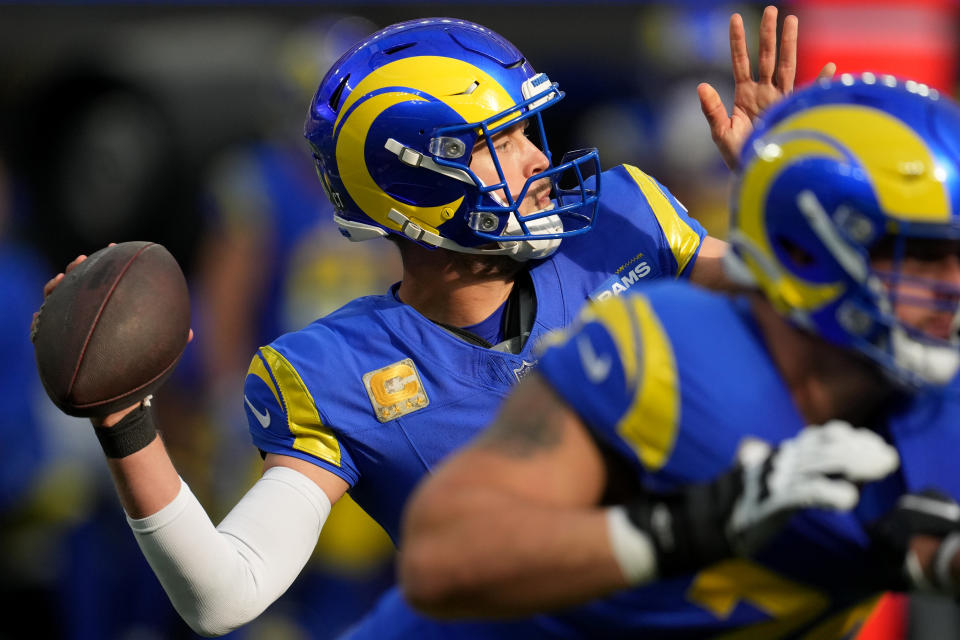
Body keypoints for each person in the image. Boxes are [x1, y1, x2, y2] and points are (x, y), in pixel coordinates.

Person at [35, 9, 814, 637]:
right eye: (500, 142)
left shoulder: (620, 220)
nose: (538, 162)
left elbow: (824, 308)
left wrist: (788, 190)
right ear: (410, 177)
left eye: (526, 132)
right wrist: (124, 422)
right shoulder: (336, 371)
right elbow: (224, 595)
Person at [399, 76, 960, 637]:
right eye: (925, 255)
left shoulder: (940, 400)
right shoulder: (663, 349)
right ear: (806, 248)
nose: (952, 286)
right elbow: (443, 560)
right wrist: (691, 525)